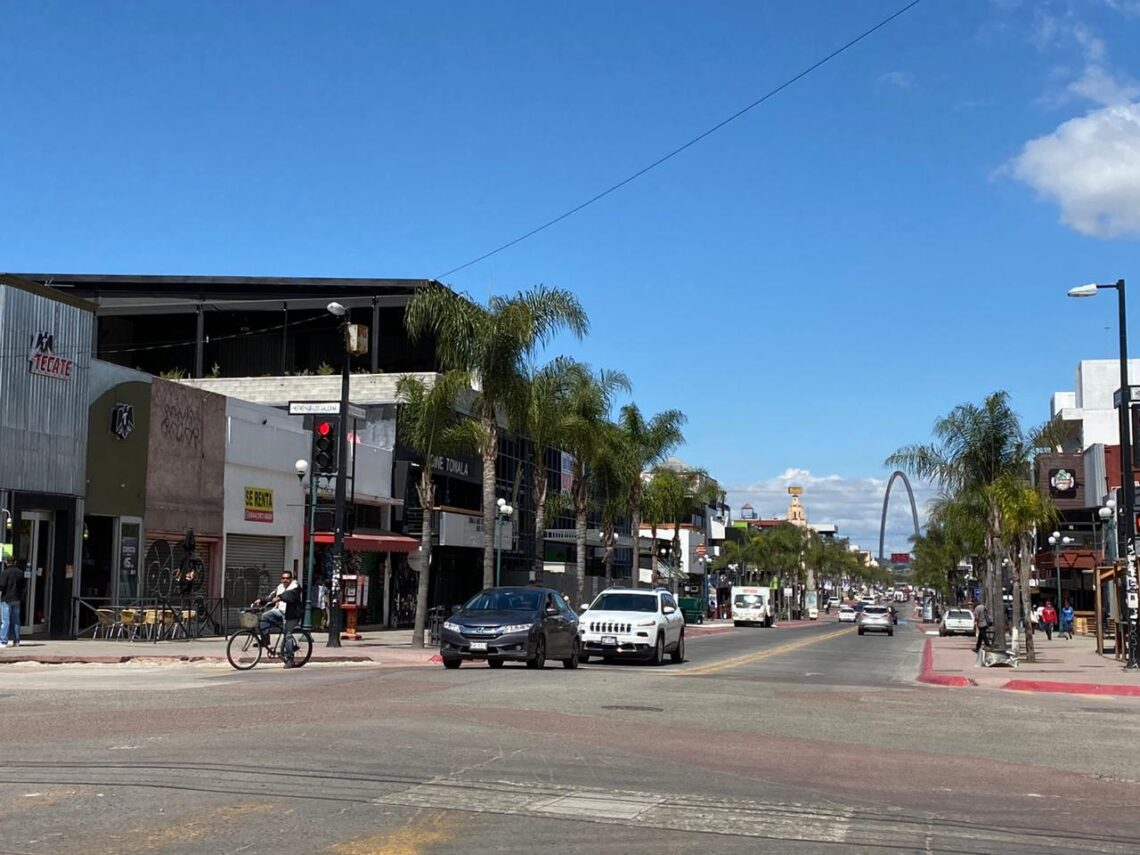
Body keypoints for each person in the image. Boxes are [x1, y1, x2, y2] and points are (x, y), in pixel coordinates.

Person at [252, 570, 303, 668]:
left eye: (287, 578)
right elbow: (271, 596)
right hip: (280, 612)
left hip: (292, 615)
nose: (285, 580)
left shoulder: (295, 586)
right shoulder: (280, 587)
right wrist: (261, 600)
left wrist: (280, 597)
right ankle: (265, 640)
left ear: (291, 579)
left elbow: (290, 596)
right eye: (283, 578)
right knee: (265, 617)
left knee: (287, 635)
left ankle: (290, 659)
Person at [0, 559, 26, 648]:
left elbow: (1, 586)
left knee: (5, 620)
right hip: (17, 599)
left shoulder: (5, 573)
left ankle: (3, 641)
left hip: (6, 599)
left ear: (6, 562)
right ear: (15, 562)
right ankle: (16, 641)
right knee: (16, 620)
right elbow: (23, 586)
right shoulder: (20, 573)